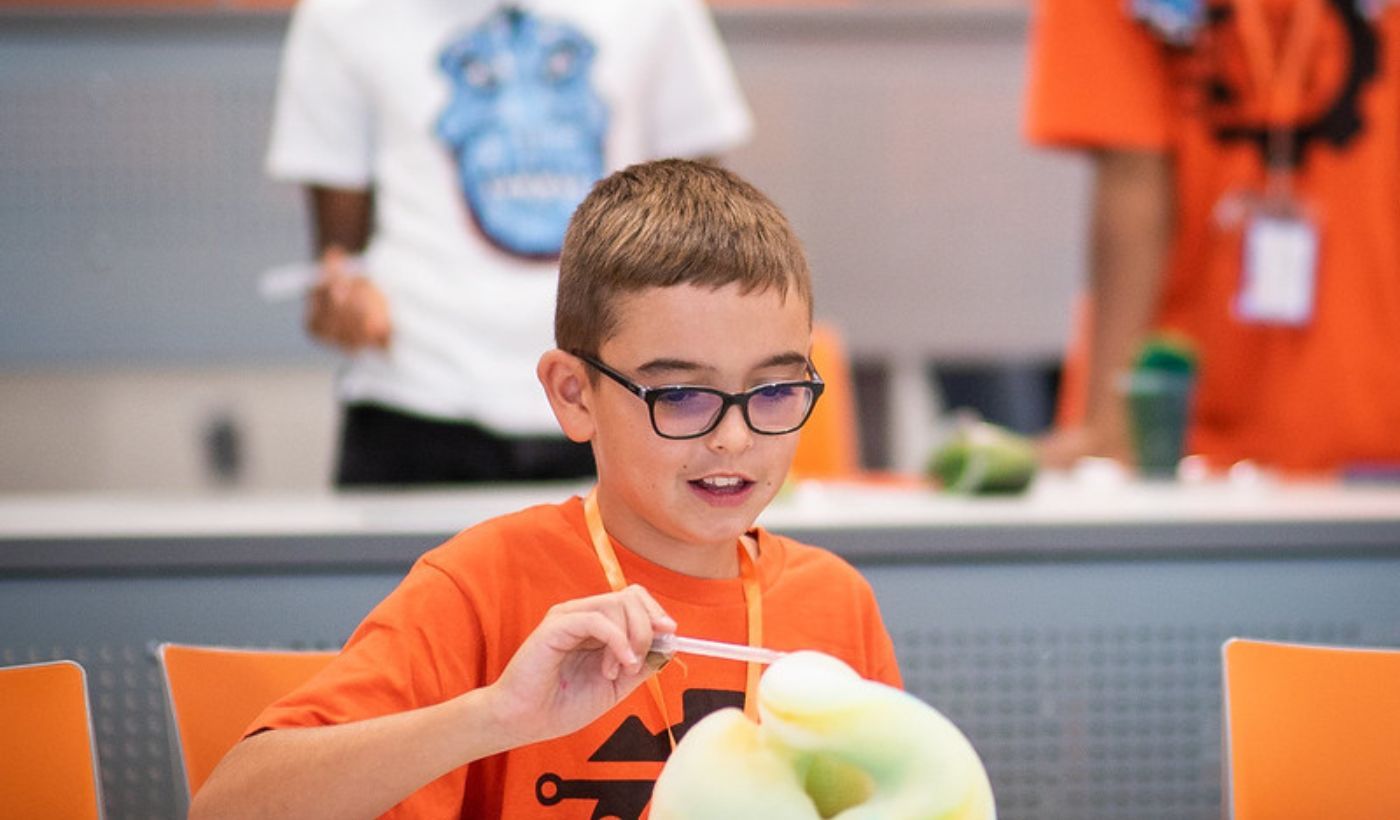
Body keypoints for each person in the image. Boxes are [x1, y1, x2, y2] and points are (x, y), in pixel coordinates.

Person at [190, 160, 902, 818]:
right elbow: (225, 809)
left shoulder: (836, 606)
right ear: (573, 394)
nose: (734, 438)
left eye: (775, 389)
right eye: (682, 395)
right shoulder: (484, 585)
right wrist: (496, 715)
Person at [267, 0, 753, 486]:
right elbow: (339, 257)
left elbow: (700, 224)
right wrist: (342, 302)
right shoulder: (340, 14)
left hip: (617, 396)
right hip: (414, 403)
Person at [1025, 0, 1400, 474]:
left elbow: (1134, 178)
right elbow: (1131, 173)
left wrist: (1110, 424)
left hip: (1166, 414)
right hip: (1185, 421)